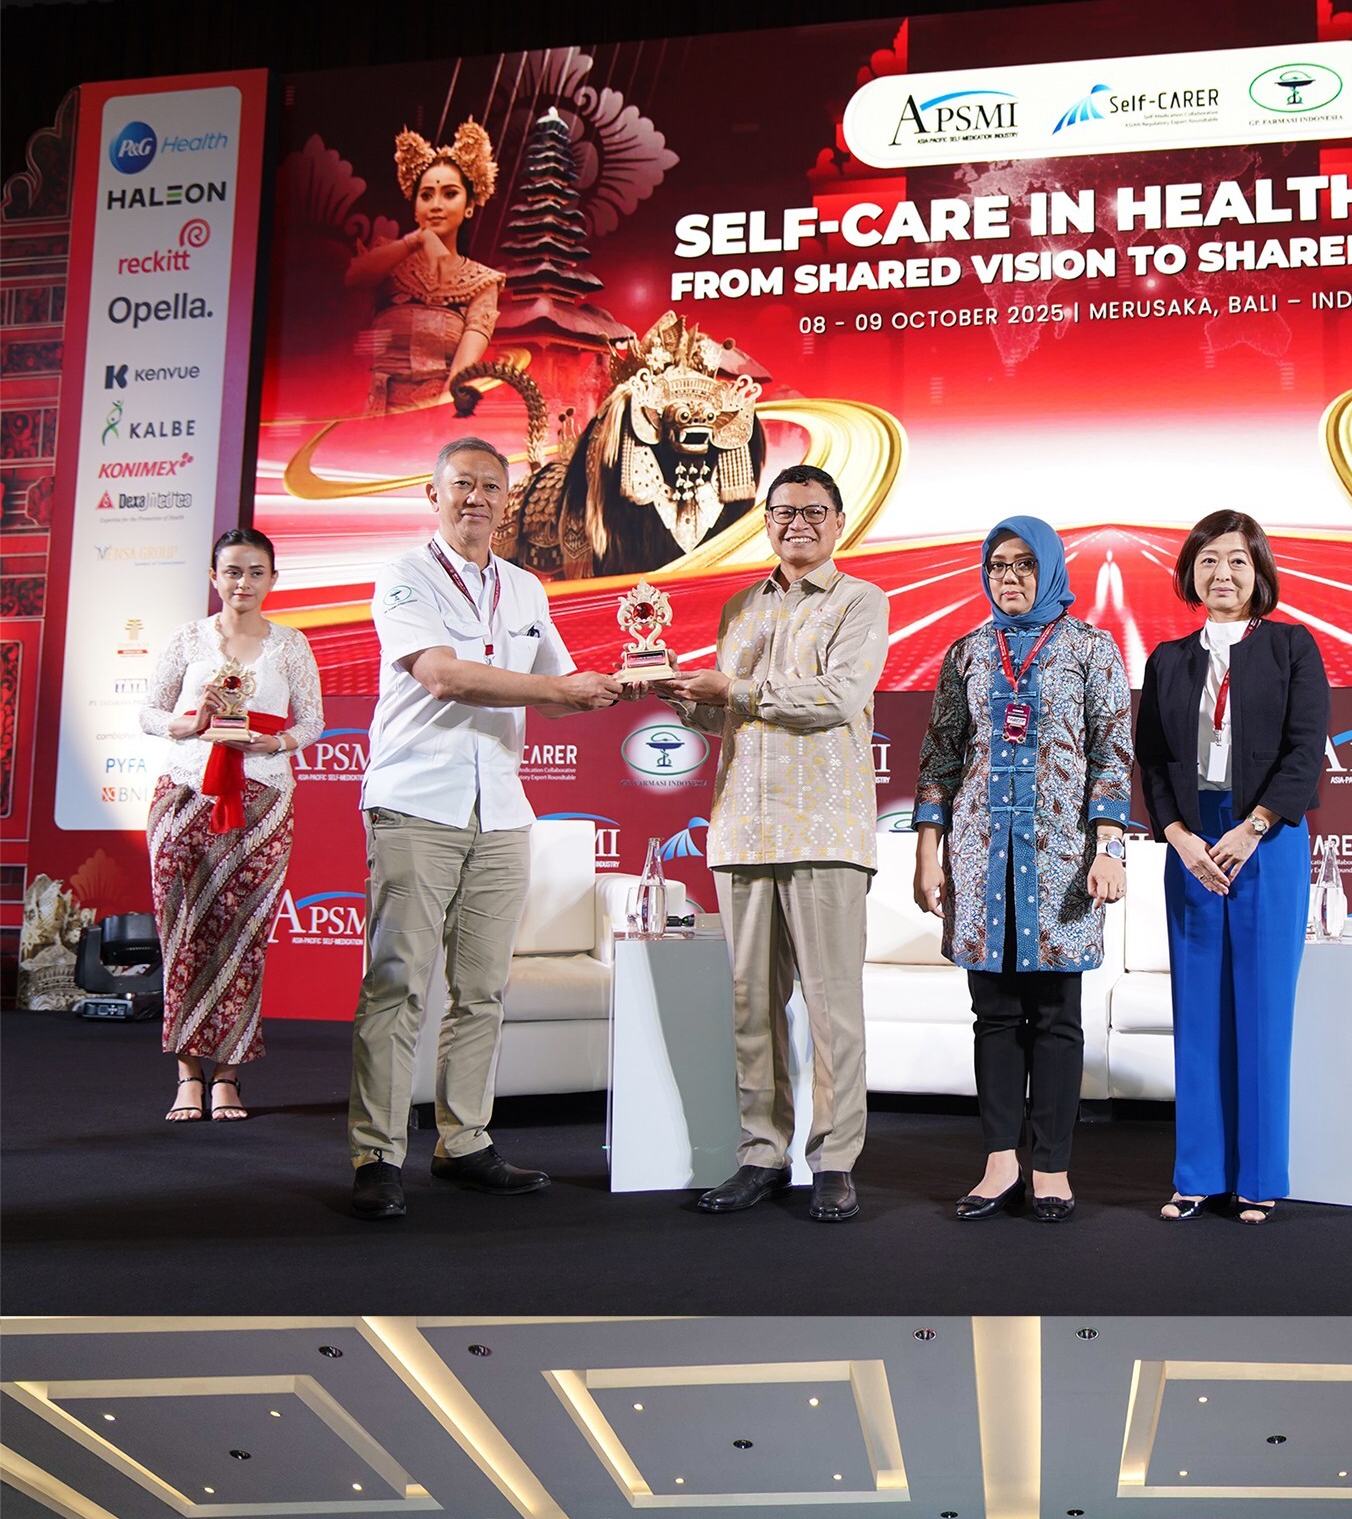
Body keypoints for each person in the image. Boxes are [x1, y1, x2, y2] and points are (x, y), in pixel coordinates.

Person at [347, 435, 621, 1220]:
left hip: (500, 807)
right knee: (397, 983)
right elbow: (441, 674)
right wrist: (556, 687)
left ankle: (464, 1141)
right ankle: (377, 1153)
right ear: (433, 496)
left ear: (508, 501)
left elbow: (559, 687)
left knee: (482, 990)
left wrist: (639, 676)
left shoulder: (528, 588)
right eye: (460, 485)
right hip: (416, 802)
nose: (475, 498)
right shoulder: (405, 576)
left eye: (490, 487)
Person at [665, 465, 888, 1224]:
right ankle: (762, 1153)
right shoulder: (738, 606)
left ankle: (833, 1159)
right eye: (783, 511)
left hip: (825, 830)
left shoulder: (861, 601)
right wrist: (680, 695)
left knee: (833, 1009)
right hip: (744, 826)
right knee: (751, 1008)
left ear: (838, 520)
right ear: (764, 520)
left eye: (813, 512)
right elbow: (723, 718)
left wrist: (735, 693)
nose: (798, 523)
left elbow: (838, 697)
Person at [912, 516, 1131, 1221]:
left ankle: (1053, 1167)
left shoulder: (1091, 648)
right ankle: (1000, 1160)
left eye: (1025, 565)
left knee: (1058, 1018)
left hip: (1064, 859)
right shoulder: (967, 652)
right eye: (999, 564)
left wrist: (1109, 846)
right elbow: (942, 753)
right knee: (994, 1015)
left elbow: (1112, 752)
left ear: (1051, 570)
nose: (1010, 577)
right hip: (979, 859)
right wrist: (927, 848)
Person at [1134, 506, 1330, 1221]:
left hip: (1266, 840)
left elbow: (1305, 750)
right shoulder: (1168, 660)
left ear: (1260, 573)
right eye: (1209, 560)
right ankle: (1197, 1173)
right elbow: (1153, 761)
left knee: (1263, 1012)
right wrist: (1179, 835)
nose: (1223, 573)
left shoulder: (1292, 648)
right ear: (1191, 572)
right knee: (1199, 1011)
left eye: (1238, 561)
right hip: (1192, 843)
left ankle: (1258, 1180)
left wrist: (1252, 828)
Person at [140, 528, 325, 1123]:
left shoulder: (291, 644)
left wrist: (273, 740)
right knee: (183, 931)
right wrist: (189, 724)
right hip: (184, 795)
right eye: (231, 572)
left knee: (241, 935)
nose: (243, 583)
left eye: (255, 572)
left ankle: (229, 1076)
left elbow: (314, 721)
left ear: (273, 579)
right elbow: (147, 711)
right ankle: (186, 1074)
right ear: (214, 578)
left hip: (262, 798)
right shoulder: (187, 639)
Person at [345, 120, 501, 411]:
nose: (436, 205)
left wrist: (432, 423)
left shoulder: (483, 283)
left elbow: (461, 374)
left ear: (470, 206)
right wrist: (414, 242)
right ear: (415, 208)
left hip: (436, 419)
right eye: (426, 195)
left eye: (450, 193)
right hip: (372, 419)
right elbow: (352, 278)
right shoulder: (388, 260)